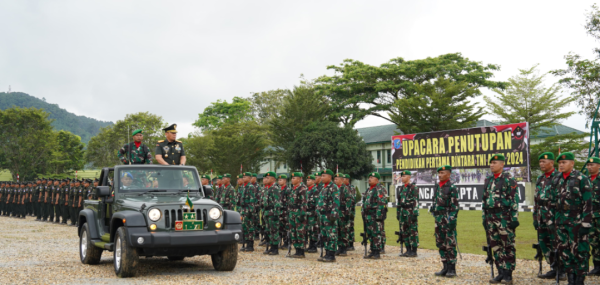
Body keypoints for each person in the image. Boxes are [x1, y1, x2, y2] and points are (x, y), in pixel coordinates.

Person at [552, 152, 592, 284]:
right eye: (560, 163)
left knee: (580, 249)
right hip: (561, 221)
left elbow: (588, 202)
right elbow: (553, 201)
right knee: (564, 250)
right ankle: (571, 277)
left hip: (577, 220)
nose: (561, 165)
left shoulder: (581, 178)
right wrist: (553, 220)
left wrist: (586, 223)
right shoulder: (557, 179)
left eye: (564, 162)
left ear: (572, 163)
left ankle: (580, 278)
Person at [482, 154, 519, 284]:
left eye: (495, 163)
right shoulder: (488, 179)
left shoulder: (509, 179)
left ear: (502, 164)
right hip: (490, 217)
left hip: (504, 217)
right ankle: (500, 271)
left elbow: (514, 199)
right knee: (495, 245)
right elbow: (485, 200)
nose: (492, 165)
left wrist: (514, 218)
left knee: (507, 245)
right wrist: (484, 217)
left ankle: (508, 273)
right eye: (491, 163)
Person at [533, 152, 564, 279]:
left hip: (554, 216)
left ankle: (562, 270)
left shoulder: (559, 177)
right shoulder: (540, 179)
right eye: (540, 162)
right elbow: (536, 200)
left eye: (544, 162)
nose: (541, 164)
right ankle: (553, 267)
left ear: (552, 163)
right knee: (544, 243)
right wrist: (535, 218)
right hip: (542, 216)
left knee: (557, 243)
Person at [432, 165, 459, 278]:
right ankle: (445, 267)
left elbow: (455, 206)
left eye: (442, 173)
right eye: (439, 173)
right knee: (440, 243)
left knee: (450, 243)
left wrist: (452, 220)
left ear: (448, 174)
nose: (439, 175)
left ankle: (452, 268)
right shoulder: (437, 186)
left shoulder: (452, 187)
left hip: (447, 219)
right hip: (438, 219)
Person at [361, 172, 387, 260]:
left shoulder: (379, 189)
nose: (369, 179)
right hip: (368, 216)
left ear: (377, 179)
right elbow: (364, 202)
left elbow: (381, 203)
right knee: (370, 234)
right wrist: (363, 213)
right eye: (369, 177)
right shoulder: (369, 190)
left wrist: (378, 216)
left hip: (375, 215)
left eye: (372, 177)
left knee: (376, 234)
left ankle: (377, 252)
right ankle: (372, 250)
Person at [317, 169, 340, 262]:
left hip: (329, 215)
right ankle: (327, 252)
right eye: (321, 176)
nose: (322, 178)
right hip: (322, 215)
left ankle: (331, 254)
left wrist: (334, 214)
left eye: (324, 176)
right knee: (324, 235)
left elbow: (336, 201)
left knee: (331, 234)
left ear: (330, 177)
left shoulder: (333, 187)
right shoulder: (323, 187)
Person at [396, 170, 419, 257]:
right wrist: (398, 213)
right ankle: (408, 249)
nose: (402, 178)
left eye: (404, 176)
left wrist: (415, 213)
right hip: (402, 212)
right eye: (402, 176)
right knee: (404, 231)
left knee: (412, 231)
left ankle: (414, 251)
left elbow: (416, 201)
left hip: (410, 212)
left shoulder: (413, 187)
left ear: (409, 177)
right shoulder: (401, 188)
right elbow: (399, 202)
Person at [288, 172, 308, 258]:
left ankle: (301, 251)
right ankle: (297, 250)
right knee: (293, 232)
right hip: (292, 213)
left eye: (294, 178)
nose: (292, 179)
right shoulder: (293, 189)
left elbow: (304, 203)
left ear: (299, 179)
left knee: (300, 231)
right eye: (292, 178)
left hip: (299, 213)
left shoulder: (302, 189)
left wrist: (302, 214)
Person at [261, 172, 281, 255]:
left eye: (268, 178)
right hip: (267, 212)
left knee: (274, 230)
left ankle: (275, 248)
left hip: (273, 212)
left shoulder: (275, 188)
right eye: (266, 178)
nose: (266, 179)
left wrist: (276, 214)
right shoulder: (267, 188)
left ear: (273, 179)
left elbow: (277, 202)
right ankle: (271, 246)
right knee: (268, 230)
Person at [238, 172, 257, 252]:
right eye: (243, 177)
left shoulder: (251, 187)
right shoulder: (242, 187)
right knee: (244, 227)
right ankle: (245, 243)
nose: (243, 178)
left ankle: (250, 245)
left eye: (245, 177)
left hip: (248, 209)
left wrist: (250, 211)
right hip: (243, 210)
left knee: (250, 228)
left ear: (249, 178)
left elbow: (252, 200)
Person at [335, 173, 351, 257]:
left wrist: (347, 213)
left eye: (337, 179)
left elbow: (349, 201)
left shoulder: (345, 188)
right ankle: (339, 247)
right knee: (337, 230)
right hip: (336, 213)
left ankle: (344, 248)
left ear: (341, 179)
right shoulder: (334, 188)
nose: (335, 180)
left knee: (344, 231)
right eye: (334, 179)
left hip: (343, 212)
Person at [589, 156, 600, 275]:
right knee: (593, 242)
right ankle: (597, 266)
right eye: (588, 165)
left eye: (592, 165)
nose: (589, 167)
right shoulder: (585, 180)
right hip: (590, 217)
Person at [306, 173, 320, 253]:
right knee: (309, 230)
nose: (307, 182)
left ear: (313, 181)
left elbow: (317, 203)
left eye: (309, 180)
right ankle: (310, 245)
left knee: (314, 230)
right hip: (307, 213)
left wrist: (316, 214)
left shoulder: (315, 190)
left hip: (313, 214)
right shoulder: (307, 190)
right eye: (307, 180)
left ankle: (314, 246)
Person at [344, 174, 357, 251]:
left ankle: (351, 244)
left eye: (344, 179)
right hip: (344, 211)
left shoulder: (351, 188)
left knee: (350, 227)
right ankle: (345, 242)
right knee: (344, 227)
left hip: (350, 211)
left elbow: (352, 200)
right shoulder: (341, 188)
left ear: (348, 180)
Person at [278, 174, 290, 249]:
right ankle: (280, 242)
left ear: (285, 181)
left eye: (281, 180)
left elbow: (289, 201)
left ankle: (286, 242)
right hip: (280, 211)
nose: (279, 181)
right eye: (278, 180)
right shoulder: (279, 189)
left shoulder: (287, 190)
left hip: (285, 211)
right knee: (280, 227)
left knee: (286, 227)